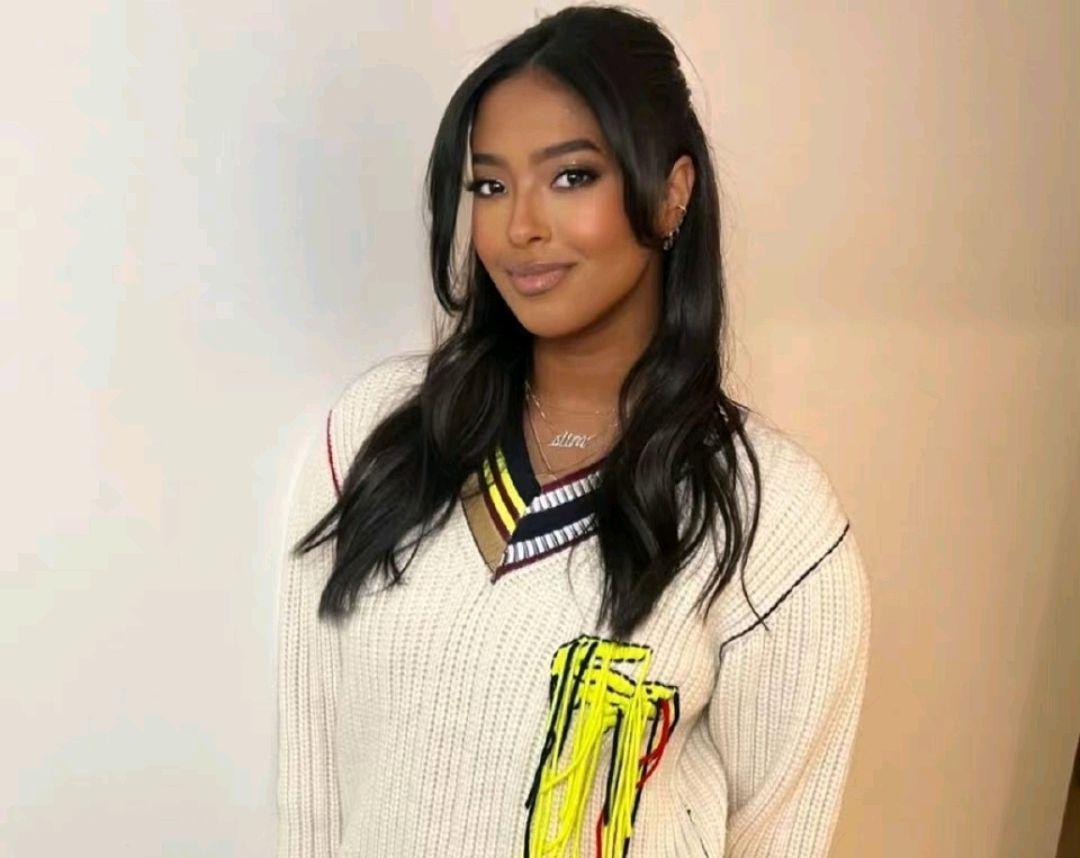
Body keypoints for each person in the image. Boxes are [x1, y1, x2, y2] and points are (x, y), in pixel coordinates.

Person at [275, 5, 871, 857]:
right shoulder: (379, 437)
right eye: (490, 186)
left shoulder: (772, 520)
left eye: (571, 176)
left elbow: (779, 836)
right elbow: (315, 789)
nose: (520, 227)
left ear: (671, 193)